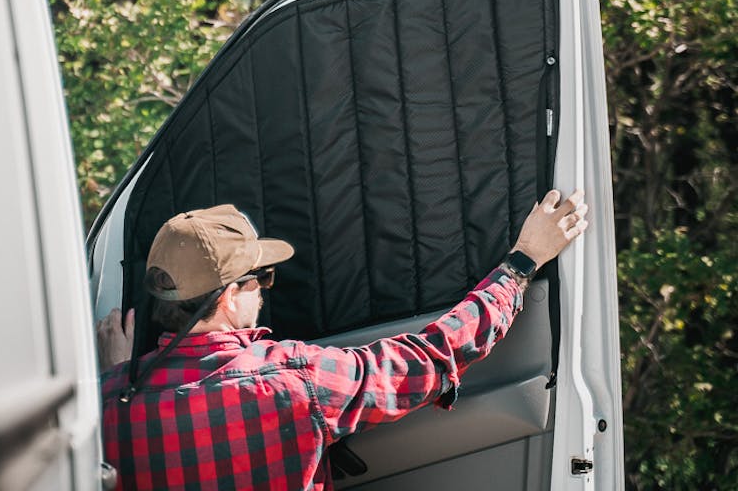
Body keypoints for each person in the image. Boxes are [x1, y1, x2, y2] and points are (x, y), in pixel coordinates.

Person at [97, 190, 588, 490]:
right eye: (261, 278)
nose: (265, 291)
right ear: (228, 296)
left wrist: (112, 376)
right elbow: (433, 356)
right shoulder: (294, 380)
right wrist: (522, 263)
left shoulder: (104, 407)